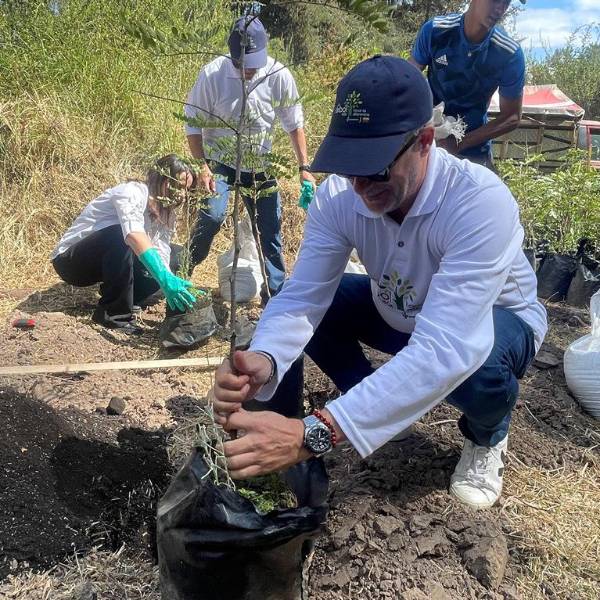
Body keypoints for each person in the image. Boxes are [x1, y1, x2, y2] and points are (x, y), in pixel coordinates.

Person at [210, 55, 548, 510]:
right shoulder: (338, 197)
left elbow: (448, 347)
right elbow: (304, 296)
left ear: (424, 141)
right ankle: (373, 401)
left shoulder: (479, 203)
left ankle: (487, 436)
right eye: (349, 167)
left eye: (375, 169)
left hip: (493, 320)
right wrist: (266, 357)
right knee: (322, 311)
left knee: (480, 364)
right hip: (401, 308)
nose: (360, 186)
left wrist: (317, 432)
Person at [183, 16, 316, 298]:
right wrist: (202, 166)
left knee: (269, 228)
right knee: (212, 216)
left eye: (253, 64)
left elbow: (294, 123)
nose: (248, 70)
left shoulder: (278, 75)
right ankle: (182, 273)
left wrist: (304, 167)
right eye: (242, 64)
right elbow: (192, 124)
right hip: (219, 161)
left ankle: (275, 296)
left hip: (258, 162)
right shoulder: (212, 74)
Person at [52, 154, 198, 332]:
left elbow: (161, 249)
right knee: (121, 235)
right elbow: (133, 235)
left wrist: (168, 279)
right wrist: (164, 279)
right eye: (179, 186)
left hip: (111, 260)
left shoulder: (166, 213)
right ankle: (113, 315)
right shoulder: (132, 192)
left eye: (186, 190)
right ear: (162, 179)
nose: (182, 195)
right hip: (73, 263)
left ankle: (127, 298)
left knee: (178, 255)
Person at [409, 0, 527, 170]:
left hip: (474, 152)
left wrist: (459, 144)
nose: (500, 9)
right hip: (429, 142)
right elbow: (407, 78)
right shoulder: (436, 31)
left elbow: (512, 116)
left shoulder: (509, 53)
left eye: (506, 2)